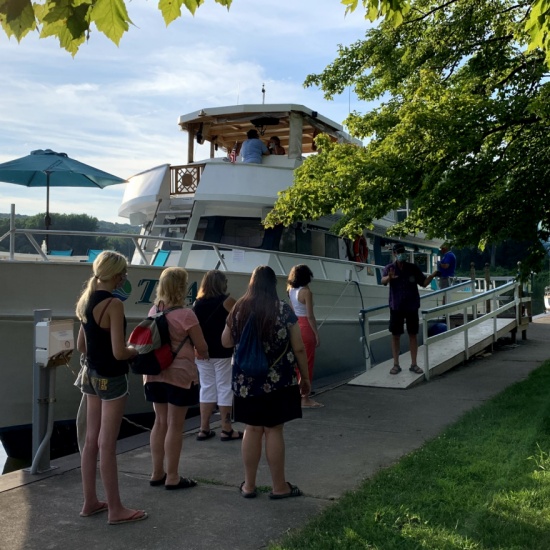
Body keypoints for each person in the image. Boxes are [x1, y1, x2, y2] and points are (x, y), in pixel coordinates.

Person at [221, 265, 311, 499]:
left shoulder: (239, 308)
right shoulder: (282, 310)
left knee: (251, 429)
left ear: (252, 283)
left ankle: (249, 486)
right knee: (274, 430)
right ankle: (279, 486)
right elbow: (299, 347)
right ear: (272, 284)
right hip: (279, 381)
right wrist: (305, 378)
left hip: (246, 381)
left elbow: (225, 342)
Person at [75, 250, 147, 525]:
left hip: (91, 376)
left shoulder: (86, 301)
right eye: (124, 274)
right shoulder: (114, 305)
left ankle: (90, 501)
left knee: (91, 440)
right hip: (112, 379)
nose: (124, 278)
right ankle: (116, 509)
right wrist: (134, 350)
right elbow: (119, 352)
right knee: (107, 443)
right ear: (116, 275)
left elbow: (82, 345)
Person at [144, 267, 209, 490]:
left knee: (159, 422)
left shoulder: (154, 310)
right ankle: (172, 476)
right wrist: (199, 352)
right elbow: (202, 346)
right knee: (175, 425)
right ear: (182, 287)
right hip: (179, 374)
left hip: (154, 373)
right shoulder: (186, 315)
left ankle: (156, 472)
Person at [193, 270, 241, 441]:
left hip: (202, 352)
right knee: (224, 387)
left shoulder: (197, 304)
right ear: (221, 284)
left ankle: (203, 428)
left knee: (206, 388)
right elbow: (242, 316)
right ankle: (226, 428)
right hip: (222, 351)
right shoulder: (226, 301)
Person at [381, 244, 438, 375]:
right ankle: (396, 364)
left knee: (413, 335)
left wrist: (433, 275)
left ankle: (414, 364)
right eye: (399, 252)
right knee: (395, 335)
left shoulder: (412, 268)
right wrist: (389, 278)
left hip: (412, 306)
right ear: (394, 253)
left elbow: (423, 283)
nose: (402, 254)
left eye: (403, 251)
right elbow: (383, 281)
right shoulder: (390, 268)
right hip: (396, 306)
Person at [287, 264, 322, 409]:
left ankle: (296, 394)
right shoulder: (306, 292)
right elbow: (310, 315)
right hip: (306, 326)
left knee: (296, 362)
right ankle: (305, 397)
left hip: (295, 325)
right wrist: (316, 333)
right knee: (307, 362)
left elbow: (292, 310)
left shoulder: (290, 290)